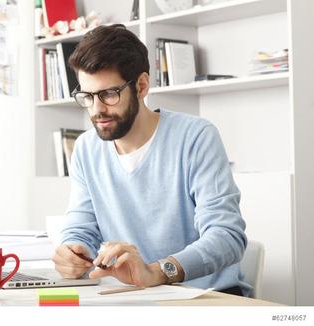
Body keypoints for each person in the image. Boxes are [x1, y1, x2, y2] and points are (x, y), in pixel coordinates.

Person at [51, 24, 249, 296]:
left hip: (205, 297)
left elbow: (227, 237)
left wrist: (156, 272)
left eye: (109, 94)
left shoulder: (196, 137)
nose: (97, 110)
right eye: (87, 96)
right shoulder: (86, 148)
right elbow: (81, 227)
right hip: (133, 298)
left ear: (141, 86)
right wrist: (73, 251)